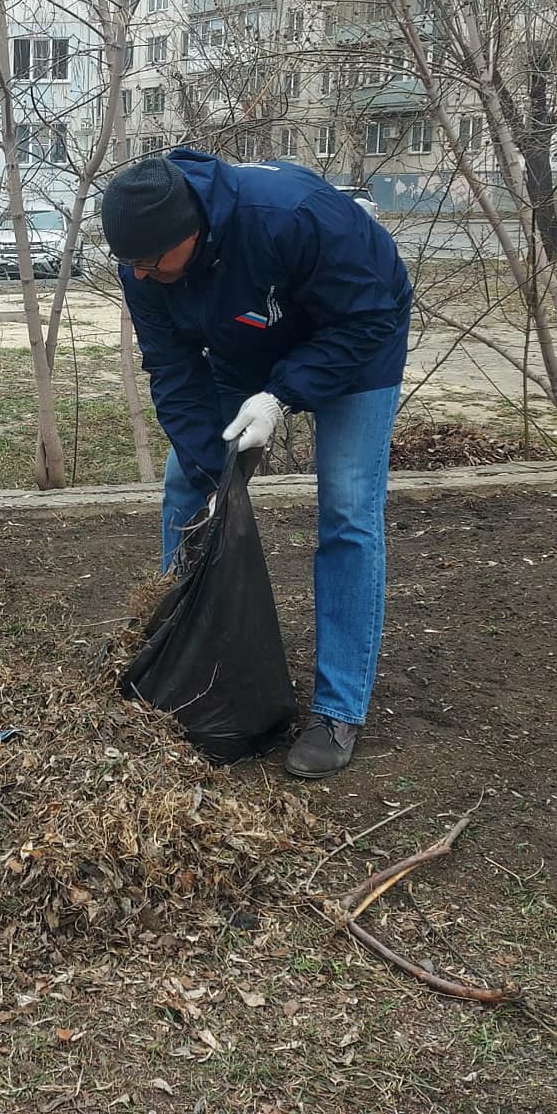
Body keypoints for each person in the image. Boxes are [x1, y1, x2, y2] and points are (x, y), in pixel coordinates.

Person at [102, 149, 412, 778]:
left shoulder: (292, 215)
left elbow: (371, 317)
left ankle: (337, 708)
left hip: (356, 338)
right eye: (129, 264)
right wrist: (214, 472)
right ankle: (177, 656)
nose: (140, 274)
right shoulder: (147, 268)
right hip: (244, 344)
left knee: (348, 508)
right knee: (185, 482)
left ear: (192, 232)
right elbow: (173, 372)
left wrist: (282, 395)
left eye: (151, 261)